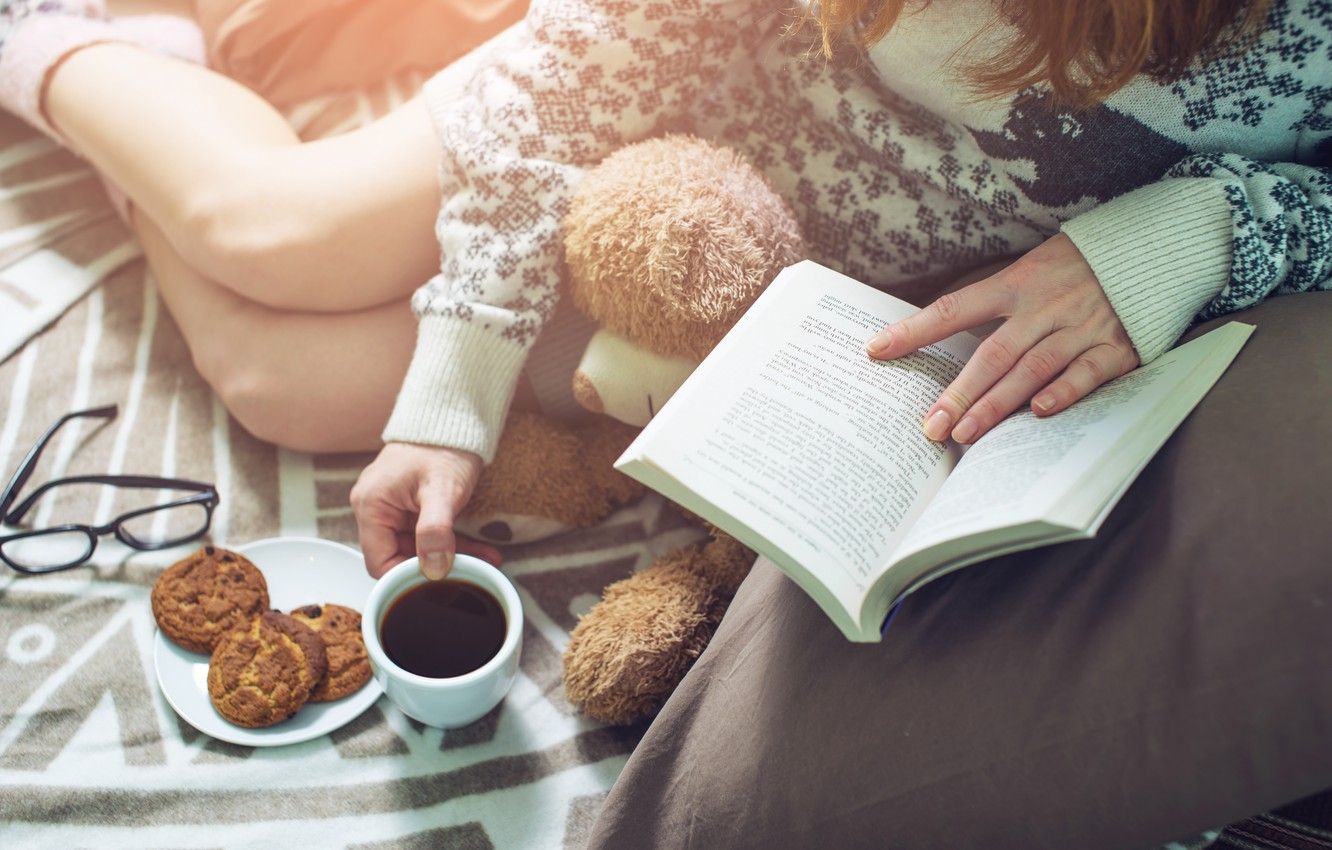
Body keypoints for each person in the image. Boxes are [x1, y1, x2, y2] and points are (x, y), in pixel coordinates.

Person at [1, 0, 1326, 589]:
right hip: (644, 104)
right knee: (271, 230)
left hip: (773, 283)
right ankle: (57, 49)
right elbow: (571, 76)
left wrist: (1194, 228)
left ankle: (148, 94)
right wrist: (455, 391)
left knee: (274, 378)